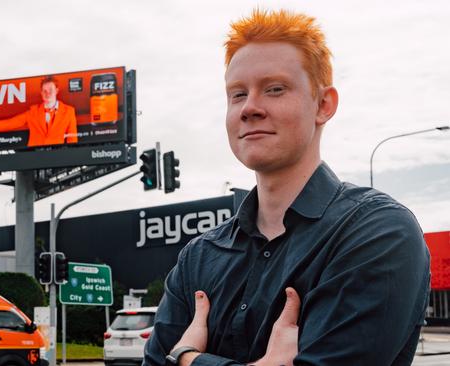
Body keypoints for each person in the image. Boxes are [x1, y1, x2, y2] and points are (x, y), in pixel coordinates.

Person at [143, 9, 430, 366]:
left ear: (323, 105)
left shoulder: (377, 233)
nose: (249, 108)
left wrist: (186, 358)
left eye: (274, 89)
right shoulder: (198, 256)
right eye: (236, 94)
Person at [0, 76, 78, 147]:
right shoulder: (33, 111)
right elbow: (12, 123)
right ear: (41, 93)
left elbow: (72, 138)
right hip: (34, 156)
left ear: (57, 90)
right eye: (44, 90)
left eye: (50, 90)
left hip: (57, 157)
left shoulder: (69, 111)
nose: (47, 93)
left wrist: (69, 157)